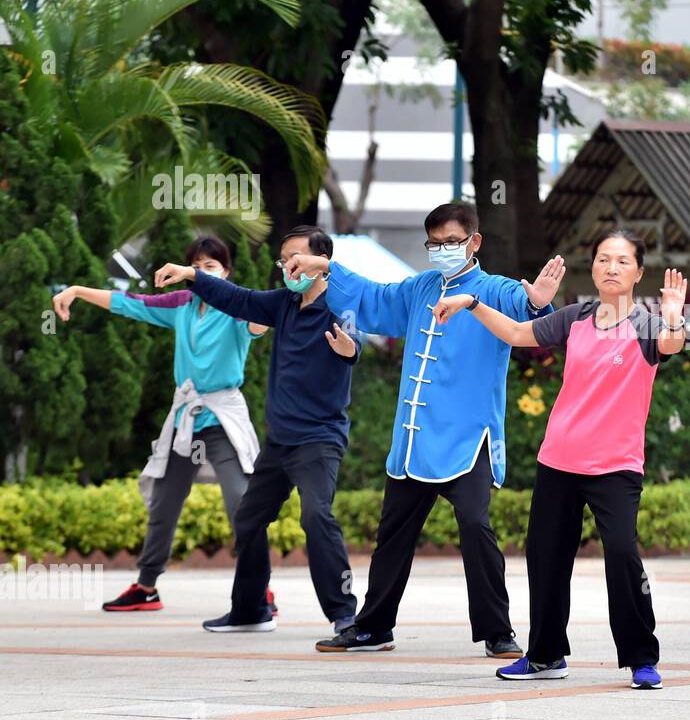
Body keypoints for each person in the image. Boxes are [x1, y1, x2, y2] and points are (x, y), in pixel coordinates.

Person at [299, 202, 564, 656]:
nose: (442, 251)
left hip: (466, 439)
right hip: (416, 437)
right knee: (392, 535)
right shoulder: (421, 288)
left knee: (476, 526)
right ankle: (373, 627)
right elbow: (373, 298)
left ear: (474, 241)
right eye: (435, 244)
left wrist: (538, 300)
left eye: (452, 243)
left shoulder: (492, 289)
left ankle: (497, 631)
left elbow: (528, 316)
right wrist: (327, 265)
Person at [434, 230, 688, 690]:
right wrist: (471, 303)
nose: (611, 268)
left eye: (622, 261)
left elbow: (671, 346)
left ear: (638, 273)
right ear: (592, 267)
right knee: (546, 558)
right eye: (603, 259)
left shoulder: (649, 325)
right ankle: (545, 655)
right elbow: (516, 332)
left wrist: (673, 319)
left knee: (623, 554)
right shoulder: (575, 318)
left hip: (615, 466)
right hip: (559, 460)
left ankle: (641, 659)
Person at [154, 226, 363, 634]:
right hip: (279, 442)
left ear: (321, 263)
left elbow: (354, 341)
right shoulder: (282, 304)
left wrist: (349, 348)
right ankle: (251, 609)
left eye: (296, 258)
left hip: (318, 439)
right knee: (249, 519)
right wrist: (193, 275)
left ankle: (345, 616)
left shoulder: (341, 306)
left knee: (317, 516)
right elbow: (238, 298)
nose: (288, 267)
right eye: (284, 260)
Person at [52, 236, 269, 612]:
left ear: (227, 272)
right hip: (186, 417)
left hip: (222, 417)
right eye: (196, 266)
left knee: (241, 502)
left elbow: (262, 320)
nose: (202, 273)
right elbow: (129, 304)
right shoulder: (182, 305)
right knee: (163, 504)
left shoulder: (237, 309)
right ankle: (146, 587)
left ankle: (259, 589)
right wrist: (76, 290)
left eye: (211, 266)